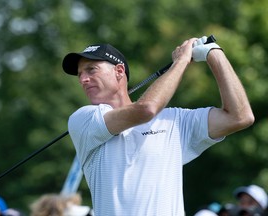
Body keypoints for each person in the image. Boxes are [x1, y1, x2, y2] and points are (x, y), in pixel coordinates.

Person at [61, 36, 254, 215]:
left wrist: (214, 53)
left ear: (119, 71)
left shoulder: (174, 121)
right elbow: (147, 109)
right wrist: (181, 62)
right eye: (79, 75)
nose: (83, 79)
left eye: (91, 70)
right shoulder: (83, 119)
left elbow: (240, 117)